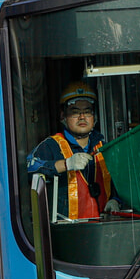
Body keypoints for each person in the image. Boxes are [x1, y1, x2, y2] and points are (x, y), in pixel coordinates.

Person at [27, 82, 118, 220]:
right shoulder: (51, 146)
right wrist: (65, 165)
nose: (82, 117)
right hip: (66, 234)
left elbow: (123, 182)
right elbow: (28, 169)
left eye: (87, 111)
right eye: (75, 112)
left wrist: (116, 200)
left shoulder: (105, 148)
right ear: (63, 116)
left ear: (95, 117)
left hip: (103, 230)